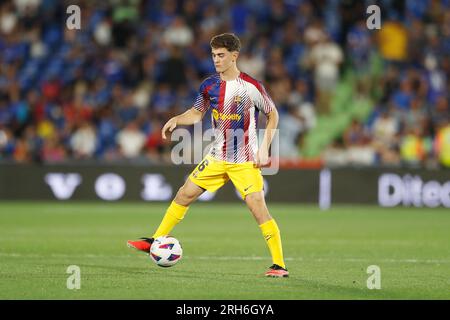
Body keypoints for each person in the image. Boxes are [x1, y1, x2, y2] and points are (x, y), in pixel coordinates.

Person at [127, 33, 288, 278]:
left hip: (244, 160)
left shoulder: (251, 87)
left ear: (235, 56)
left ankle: (279, 265)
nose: (216, 60)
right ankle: (156, 239)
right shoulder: (209, 85)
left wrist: (264, 146)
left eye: (221, 55)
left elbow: (273, 114)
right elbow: (195, 113)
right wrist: (176, 119)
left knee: (258, 208)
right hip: (216, 157)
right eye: (213, 55)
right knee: (184, 193)